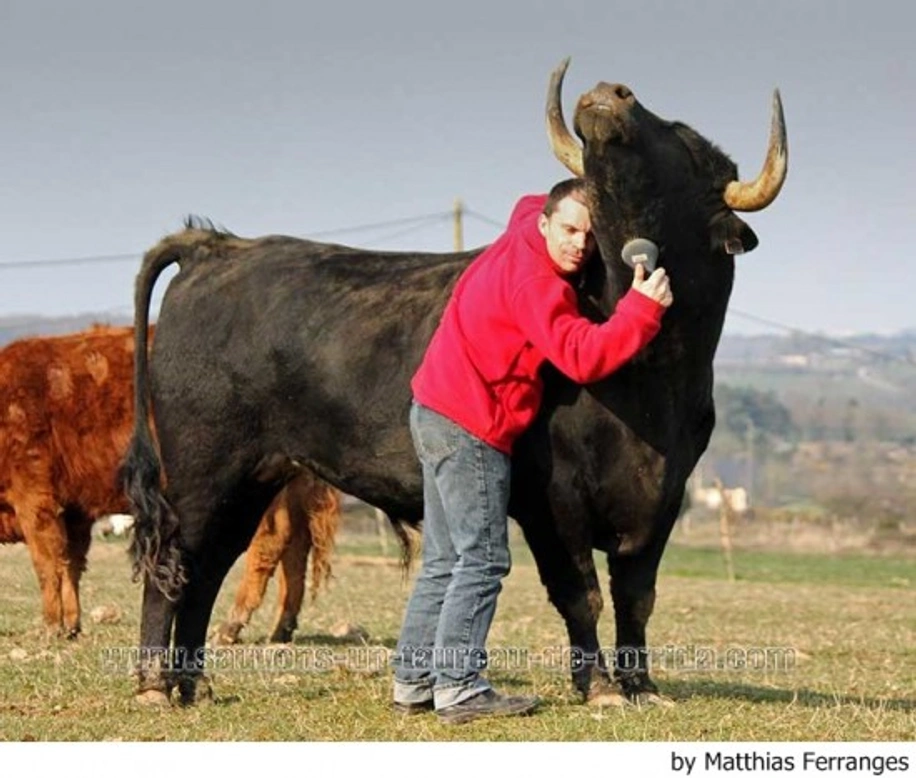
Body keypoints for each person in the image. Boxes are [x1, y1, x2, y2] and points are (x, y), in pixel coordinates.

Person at [392, 178, 673, 725]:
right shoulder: (536, 286)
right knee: (482, 561)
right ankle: (459, 687)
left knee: (445, 561)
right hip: (470, 424)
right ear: (545, 222)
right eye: (569, 229)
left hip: (431, 407)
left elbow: (535, 201)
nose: (579, 246)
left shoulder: (522, 226)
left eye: (591, 237)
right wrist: (640, 310)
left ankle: (413, 680)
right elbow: (580, 356)